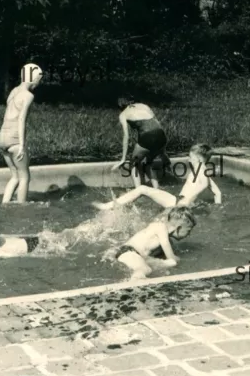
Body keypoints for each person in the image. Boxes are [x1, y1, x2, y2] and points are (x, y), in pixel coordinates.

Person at [93, 143, 222, 211]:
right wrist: (217, 208)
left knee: (142, 189)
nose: (188, 159)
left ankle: (108, 206)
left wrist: (186, 202)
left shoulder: (201, 173)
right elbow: (217, 193)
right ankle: (121, 206)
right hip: (180, 203)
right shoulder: (204, 172)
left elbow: (204, 184)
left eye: (191, 157)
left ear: (199, 159)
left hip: (179, 203)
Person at [0, 63, 43, 204]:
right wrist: (22, 145)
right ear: (33, 78)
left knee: (14, 176)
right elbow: (21, 119)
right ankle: (22, 207)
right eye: (38, 79)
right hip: (14, 139)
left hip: (2, 138)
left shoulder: (13, 91)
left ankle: (4, 204)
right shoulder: (28, 95)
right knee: (24, 177)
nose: (39, 83)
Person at [114, 206, 197, 279]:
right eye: (188, 231)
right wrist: (183, 260)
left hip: (137, 256)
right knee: (146, 269)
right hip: (128, 252)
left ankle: (140, 277)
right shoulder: (161, 228)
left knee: (168, 264)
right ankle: (134, 281)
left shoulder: (168, 240)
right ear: (178, 228)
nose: (189, 234)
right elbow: (171, 257)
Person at [111, 96, 171, 189]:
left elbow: (126, 137)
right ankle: (156, 189)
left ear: (120, 107)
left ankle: (138, 190)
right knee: (149, 163)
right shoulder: (144, 106)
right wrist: (163, 150)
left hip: (147, 136)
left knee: (133, 164)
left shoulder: (123, 114)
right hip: (161, 135)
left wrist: (123, 159)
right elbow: (157, 124)